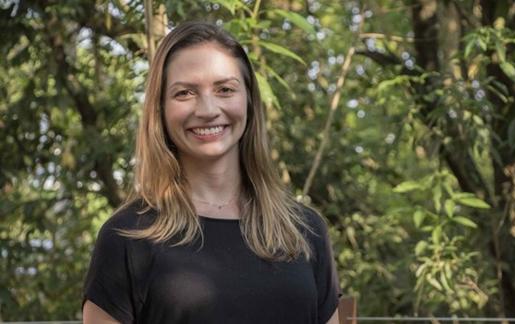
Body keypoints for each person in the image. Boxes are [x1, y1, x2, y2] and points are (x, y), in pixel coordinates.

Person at [82, 21, 341, 324]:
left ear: (248, 100)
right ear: (160, 109)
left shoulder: (306, 231)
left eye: (225, 89)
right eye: (185, 93)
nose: (207, 109)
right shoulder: (126, 238)